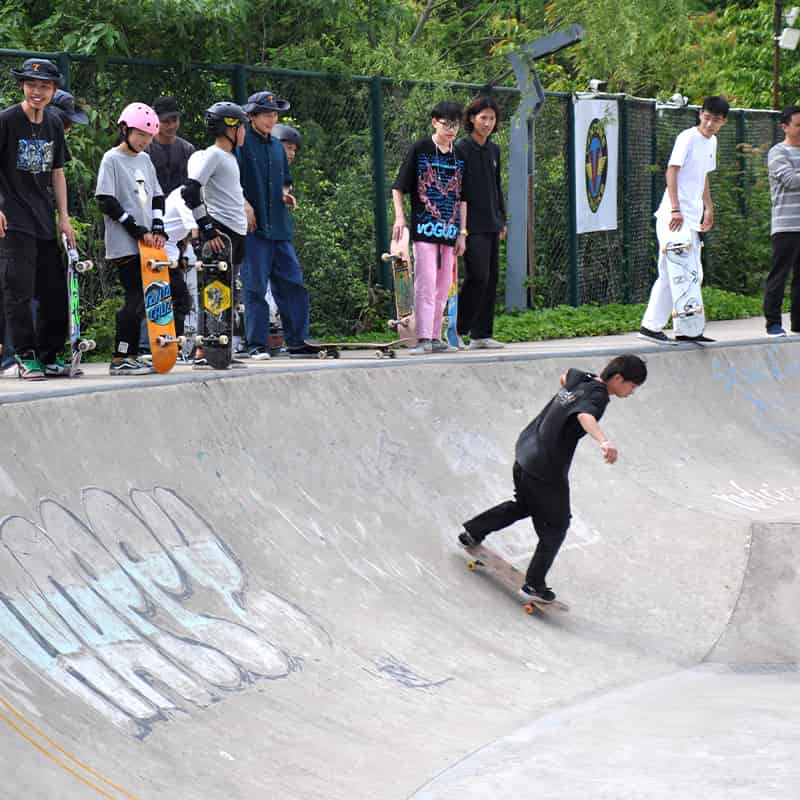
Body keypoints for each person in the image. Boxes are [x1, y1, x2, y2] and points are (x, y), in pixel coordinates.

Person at [458, 354, 647, 603]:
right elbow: (585, 416)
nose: (631, 392)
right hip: (545, 470)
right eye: (631, 386)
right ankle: (534, 585)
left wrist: (568, 399)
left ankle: (472, 532)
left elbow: (565, 375)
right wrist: (604, 441)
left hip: (525, 453)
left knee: (524, 505)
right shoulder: (599, 396)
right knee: (557, 527)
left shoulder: (581, 377)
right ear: (618, 378)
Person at [0, 58, 75, 380]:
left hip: (44, 217)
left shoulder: (54, 124)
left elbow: (57, 172)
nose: (37, 92)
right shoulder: (6, 121)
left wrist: (65, 217)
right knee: (18, 290)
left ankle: (48, 354)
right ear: (23, 87)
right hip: (13, 218)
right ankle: (25, 356)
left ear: (53, 89)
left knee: (55, 290)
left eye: (44, 87)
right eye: (32, 85)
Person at [639, 95, 729, 345]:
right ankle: (659, 327)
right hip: (673, 216)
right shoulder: (687, 137)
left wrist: (708, 208)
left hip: (691, 218)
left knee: (685, 273)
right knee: (680, 270)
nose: (709, 124)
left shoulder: (712, 143)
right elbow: (672, 169)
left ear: (724, 122)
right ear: (700, 114)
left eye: (716, 121)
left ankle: (679, 328)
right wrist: (676, 209)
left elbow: (703, 178)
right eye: (707, 118)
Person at [238, 90, 313, 359]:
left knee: (293, 282)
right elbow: (230, 180)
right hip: (254, 228)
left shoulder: (277, 147)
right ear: (252, 116)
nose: (271, 120)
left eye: (274, 115)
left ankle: (298, 340)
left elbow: (285, 179)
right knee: (255, 285)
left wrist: (286, 193)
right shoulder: (241, 144)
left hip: (279, 227)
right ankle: (257, 343)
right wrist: (244, 204)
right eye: (266, 115)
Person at [392, 100, 468, 355]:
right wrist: (400, 218)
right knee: (426, 282)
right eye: (446, 124)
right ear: (435, 122)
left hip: (449, 231)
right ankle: (423, 336)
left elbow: (463, 198)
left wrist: (462, 232)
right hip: (425, 229)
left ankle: (435, 337)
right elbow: (398, 186)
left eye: (455, 125)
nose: (451, 130)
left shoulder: (459, 156)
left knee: (444, 285)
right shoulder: (421, 148)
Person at [95, 102, 164, 375]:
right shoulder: (112, 159)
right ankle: (121, 356)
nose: (145, 141)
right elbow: (105, 200)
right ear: (125, 130)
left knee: (148, 298)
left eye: (148, 137)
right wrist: (137, 229)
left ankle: (133, 353)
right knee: (134, 297)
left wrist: (157, 227)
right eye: (140, 135)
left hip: (148, 244)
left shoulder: (145, 160)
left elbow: (157, 195)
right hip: (125, 243)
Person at [181, 101, 250, 368]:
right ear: (229, 127)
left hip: (234, 233)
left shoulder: (229, 157)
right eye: (241, 126)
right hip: (219, 232)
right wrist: (207, 227)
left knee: (227, 292)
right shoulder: (213, 155)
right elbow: (190, 190)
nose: (244, 132)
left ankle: (221, 350)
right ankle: (204, 350)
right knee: (215, 292)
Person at [455, 95, 507, 350]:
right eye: (483, 117)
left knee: (491, 279)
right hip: (470, 225)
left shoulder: (494, 150)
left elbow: (497, 188)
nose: (487, 123)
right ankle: (456, 328)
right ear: (472, 119)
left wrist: (502, 219)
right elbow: (457, 190)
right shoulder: (461, 149)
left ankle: (482, 334)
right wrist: (459, 226)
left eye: (491, 118)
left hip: (491, 223)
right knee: (478, 275)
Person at [765, 105, 800, 337]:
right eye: (798, 125)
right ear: (785, 127)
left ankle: (798, 323)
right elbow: (791, 180)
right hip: (787, 225)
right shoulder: (778, 153)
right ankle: (773, 323)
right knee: (780, 275)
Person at [147, 96, 195, 196]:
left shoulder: (187, 149)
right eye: (165, 121)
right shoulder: (146, 149)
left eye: (174, 120)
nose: (171, 125)